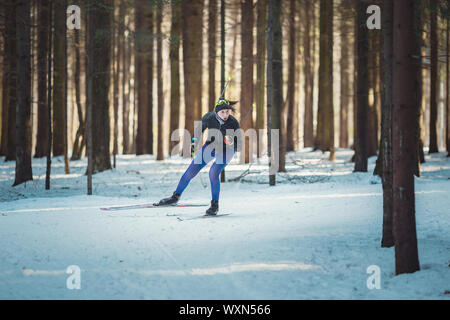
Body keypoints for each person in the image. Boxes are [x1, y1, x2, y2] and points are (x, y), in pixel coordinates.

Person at [156, 99, 241, 215]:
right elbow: (198, 131)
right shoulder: (209, 118)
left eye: (227, 112)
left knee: (213, 173)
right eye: (223, 112)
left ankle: (214, 205)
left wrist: (231, 142)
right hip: (211, 146)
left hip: (226, 151)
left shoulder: (233, 123)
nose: (226, 115)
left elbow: (238, 144)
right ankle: (175, 196)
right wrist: (193, 144)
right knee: (191, 171)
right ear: (217, 112)